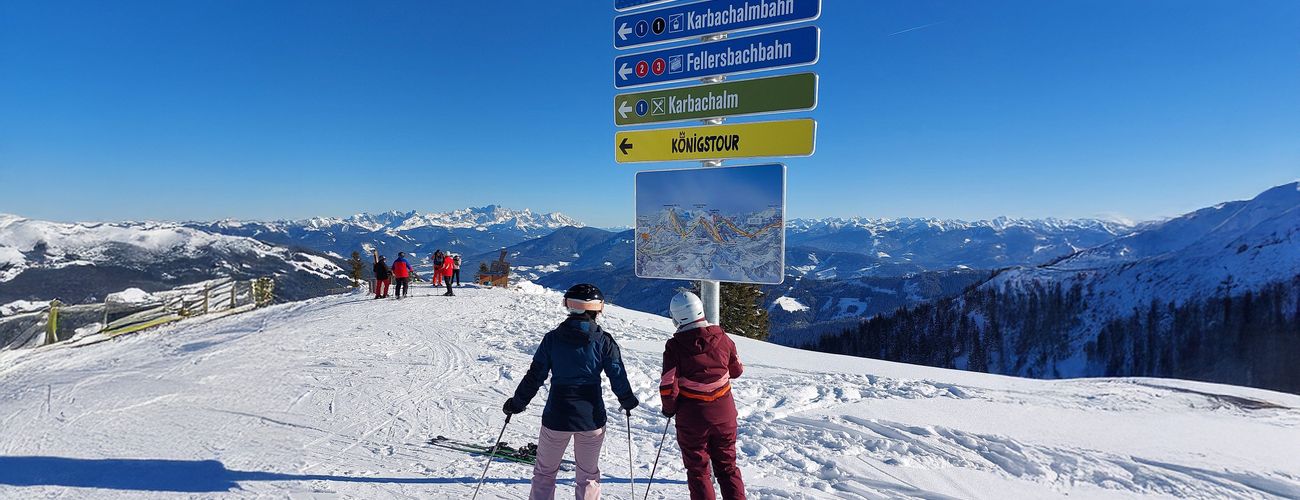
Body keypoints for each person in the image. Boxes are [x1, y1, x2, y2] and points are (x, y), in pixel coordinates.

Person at [502, 283, 639, 500]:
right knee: (587, 476)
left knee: (545, 473)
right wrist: (627, 400)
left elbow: (535, 375)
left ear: (569, 306)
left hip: (557, 416)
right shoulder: (604, 341)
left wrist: (517, 403)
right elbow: (617, 374)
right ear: (597, 308)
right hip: (591, 418)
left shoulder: (552, 339)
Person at [659, 291, 746, 500]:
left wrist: (669, 409)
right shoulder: (723, 339)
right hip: (724, 414)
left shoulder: (675, 347)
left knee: (698, 471)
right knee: (727, 467)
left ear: (676, 318)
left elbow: (668, 385)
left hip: (692, 417)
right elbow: (737, 371)